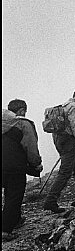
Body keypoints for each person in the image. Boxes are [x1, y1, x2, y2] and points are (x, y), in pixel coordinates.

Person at [43, 88, 75, 213]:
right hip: (68, 140)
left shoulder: (64, 105)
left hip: (59, 139)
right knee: (65, 172)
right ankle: (50, 201)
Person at [2, 99, 43, 241]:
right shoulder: (23, 123)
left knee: (8, 192)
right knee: (14, 195)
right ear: (21, 110)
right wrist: (36, 164)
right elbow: (30, 147)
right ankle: (5, 230)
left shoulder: (3, 123)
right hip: (15, 166)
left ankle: (16, 219)